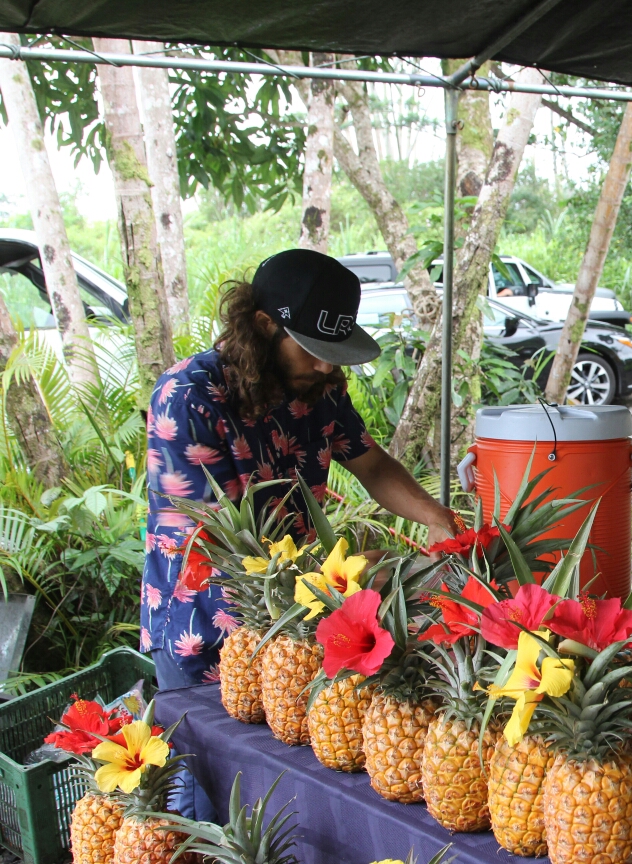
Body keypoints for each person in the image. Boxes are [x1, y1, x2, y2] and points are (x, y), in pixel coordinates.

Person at [142, 249, 461, 691]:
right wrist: (345, 571)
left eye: (332, 352)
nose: (325, 366)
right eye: (311, 350)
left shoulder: (319, 388)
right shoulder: (188, 398)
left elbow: (372, 465)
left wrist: (435, 516)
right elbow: (211, 544)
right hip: (204, 633)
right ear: (262, 325)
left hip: (299, 622)